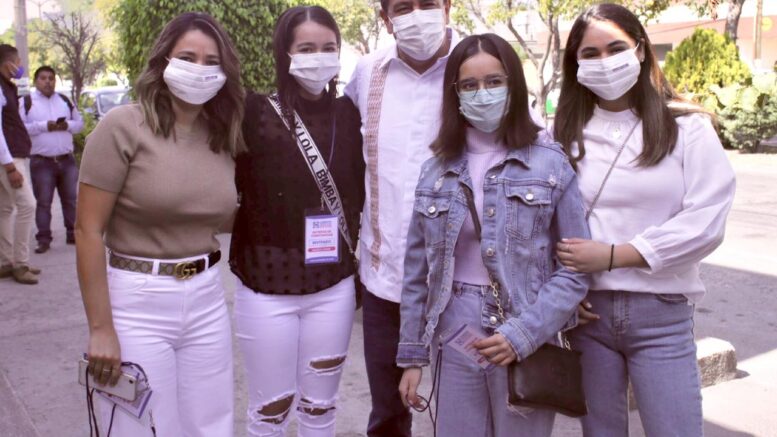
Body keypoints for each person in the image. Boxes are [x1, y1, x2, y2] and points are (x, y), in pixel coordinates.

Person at [552, 4, 736, 436]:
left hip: (662, 315)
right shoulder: (560, 134)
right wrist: (560, 292)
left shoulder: (687, 128)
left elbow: (706, 222)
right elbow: (543, 224)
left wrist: (615, 255)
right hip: (588, 316)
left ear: (639, 50)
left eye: (615, 48)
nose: (604, 61)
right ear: (576, 64)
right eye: (590, 53)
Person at [396, 33, 590, 437]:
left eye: (494, 82)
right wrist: (413, 357)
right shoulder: (435, 170)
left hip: (525, 322)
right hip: (454, 326)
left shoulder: (551, 163)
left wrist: (524, 333)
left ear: (513, 85)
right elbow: (416, 273)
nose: (482, 94)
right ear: (455, 94)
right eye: (469, 85)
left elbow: (575, 270)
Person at [76, 12, 244, 436]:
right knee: (142, 427)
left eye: (212, 62)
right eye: (188, 57)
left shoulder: (222, 135)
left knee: (211, 426)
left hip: (207, 297)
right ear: (163, 61)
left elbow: (222, 213)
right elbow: (87, 230)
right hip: (137, 302)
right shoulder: (122, 127)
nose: (200, 69)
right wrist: (101, 328)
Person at [229, 6, 364, 436]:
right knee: (270, 410)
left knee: (320, 408)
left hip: (332, 285)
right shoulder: (253, 112)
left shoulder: (349, 113)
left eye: (328, 47)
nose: (318, 57)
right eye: (306, 48)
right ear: (284, 53)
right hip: (266, 286)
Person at [343, 1, 458, 434]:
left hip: (465, 283)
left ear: (447, 6)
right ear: (385, 18)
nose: (416, 14)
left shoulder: (478, 61)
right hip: (386, 281)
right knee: (389, 416)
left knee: (466, 415)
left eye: (427, 3)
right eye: (403, 6)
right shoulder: (367, 73)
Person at [19, 65, 83, 254]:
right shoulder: (27, 102)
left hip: (66, 160)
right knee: (43, 202)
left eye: (51, 78)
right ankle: (44, 239)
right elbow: (20, 128)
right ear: (36, 81)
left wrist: (66, 125)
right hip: (42, 162)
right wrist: (44, 126)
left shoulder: (64, 100)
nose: (48, 82)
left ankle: (73, 234)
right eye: (43, 78)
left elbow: (79, 124)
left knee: (71, 200)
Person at [0, 44, 39, 285]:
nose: (21, 67)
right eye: (18, 62)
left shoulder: (8, 88)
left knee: (4, 209)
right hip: (9, 158)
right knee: (27, 206)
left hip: (11, 156)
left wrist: (22, 84)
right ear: (8, 64)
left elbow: (22, 112)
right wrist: (10, 167)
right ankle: (20, 264)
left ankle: (6, 262)